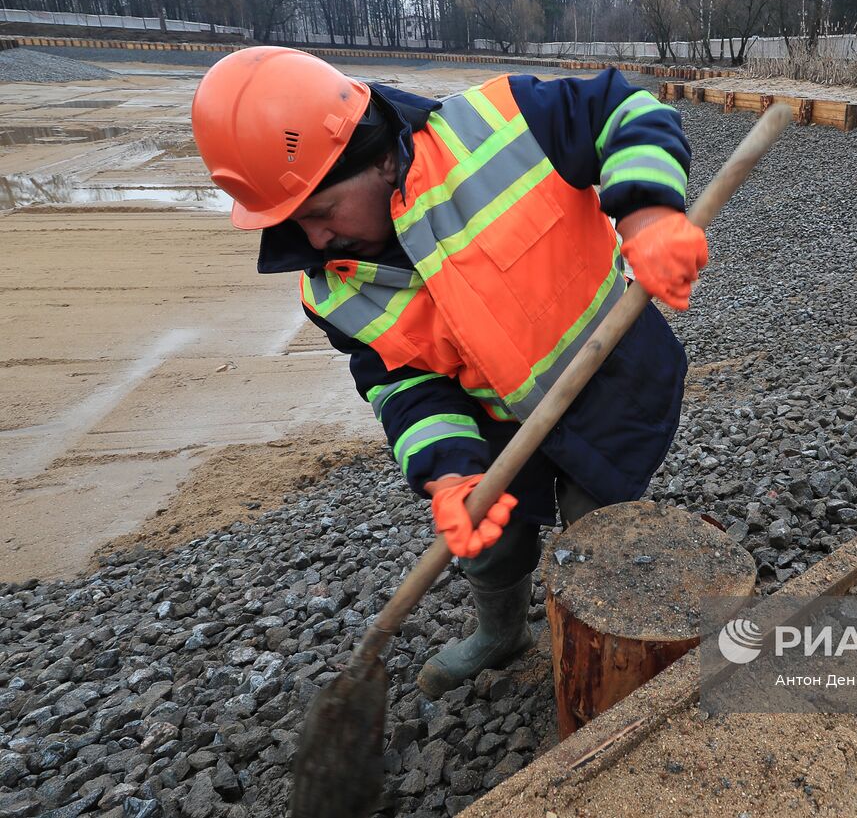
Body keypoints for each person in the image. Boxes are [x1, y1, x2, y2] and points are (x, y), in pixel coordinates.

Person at [191, 46, 705, 698]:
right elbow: (405, 387)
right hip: (490, 416)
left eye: (320, 215)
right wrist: (450, 472)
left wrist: (650, 212)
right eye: (295, 223)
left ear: (378, 156)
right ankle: (501, 631)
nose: (315, 241)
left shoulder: (501, 122)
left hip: (607, 377)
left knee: (597, 522)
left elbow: (625, 109)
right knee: (487, 541)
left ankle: (607, 640)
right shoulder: (332, 290)